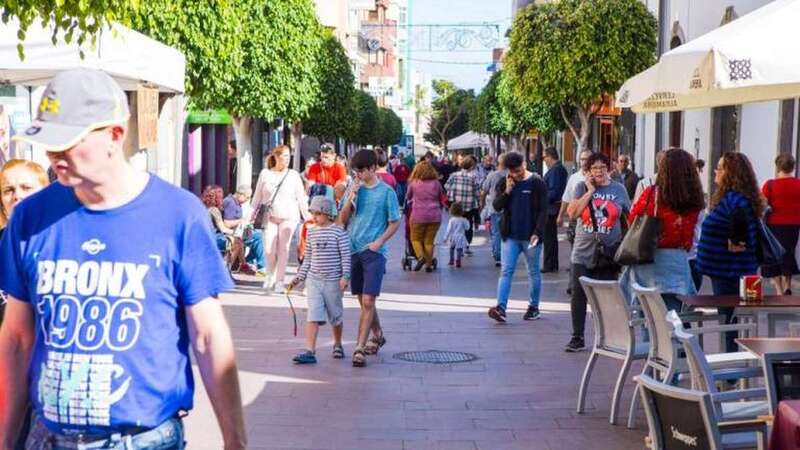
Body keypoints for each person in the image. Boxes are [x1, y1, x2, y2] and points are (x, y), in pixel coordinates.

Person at [0, 68, 245, 449]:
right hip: (47, 438)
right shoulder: (30, 218)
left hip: (143, 439)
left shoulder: (178, 215)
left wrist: (235, 440)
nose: (53, 154)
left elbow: (209, 335)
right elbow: (16, 338)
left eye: (68, 141)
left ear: (115, 134)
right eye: (48, 141)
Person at [621, 148, 705, 314]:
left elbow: (633, 220)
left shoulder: (652, 194)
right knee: (675, 319)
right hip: (678, 262)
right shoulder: (695, 199)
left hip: (649, 259)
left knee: (649, 319)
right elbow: (696, 230)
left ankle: (650, 341)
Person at [337, 149, 401, 368]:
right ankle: (378, 334)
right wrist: (351, 196)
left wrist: (380, 242)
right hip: (352, 249)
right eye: (356, 171)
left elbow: (395, 221)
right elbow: (341, 220)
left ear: (373, 168)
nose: (360, 174)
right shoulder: (354, 189)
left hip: (374, 252)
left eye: (363, 170)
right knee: (362, 299)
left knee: (368, 300)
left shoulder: (386, 192)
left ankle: (358, 349)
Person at [696, 152, 763, 353]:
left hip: (730, 273)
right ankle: (732, 370)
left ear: (731, 173)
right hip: (726, 271)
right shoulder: (734, 198)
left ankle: (732, 372)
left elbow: (740, 237)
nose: (716, 171)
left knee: (730, 322)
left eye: (720, 167)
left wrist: (735, 241)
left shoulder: (735, 200)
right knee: (729, 322)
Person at [565, 152, 631, 352]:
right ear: (588, 171)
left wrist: (626, 246)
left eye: (603, 167)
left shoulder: (619, 189)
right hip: (583, 251)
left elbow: (629, 217)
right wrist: (590, 191)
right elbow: (573, 213)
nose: (599, 171)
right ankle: (577, 336)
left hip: (608, 252)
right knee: (578, 294)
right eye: (595, 168)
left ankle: (608, 336)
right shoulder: (580, 187)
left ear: (609, 168)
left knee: (607, 297)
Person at [288, 196, 351, 364]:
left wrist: (345, 277)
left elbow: (345, 256)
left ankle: (337, 344)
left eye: (318, 214)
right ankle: (310, 350)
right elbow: (308, 258)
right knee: (313, 315)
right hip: (313, 280)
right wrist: (299, 277)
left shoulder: (339, 232)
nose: (314, 217)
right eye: (312, 213)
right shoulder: (311, 232)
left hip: (333, 281)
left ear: (328, 214)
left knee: (336, 316)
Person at [487, 151, 549, 323]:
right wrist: (507, 191)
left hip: (531, 237)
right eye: (513, 171)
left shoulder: (537, 183)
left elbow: (544, 210)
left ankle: (533, 307)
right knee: (506, 271)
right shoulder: (504, 182)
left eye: (519, 169)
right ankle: (501, 308)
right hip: (511, 236)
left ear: (524, 164)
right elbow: (497, 206)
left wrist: (538, 232)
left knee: (533, 272)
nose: (516, 174)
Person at [252, 145, 310, 293]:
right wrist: (247, 218)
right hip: (269, 216)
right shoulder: (265, 174)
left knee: (283, 248)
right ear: (276, 157)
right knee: (269, 249)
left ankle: (280, 281)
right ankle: (270, 273)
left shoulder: (293, 175)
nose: (286, 159)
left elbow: (301, 198)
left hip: (289, 217)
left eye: (288, 156)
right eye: (283, 156)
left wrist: (308, 217)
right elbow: (256, 198)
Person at [762, 154, 800, 295]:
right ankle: (787, 285)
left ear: (777, 166)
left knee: (773, 255)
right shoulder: (798, 184)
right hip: (793, 225)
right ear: (792, 167)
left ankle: (778, 289)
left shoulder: (770, 185)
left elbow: (762, 203)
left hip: (774, 225)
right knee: (788, 253)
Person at [406, 160, 444, 272]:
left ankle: (421, 257)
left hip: (418, 215)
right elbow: (440, 196)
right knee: (429, 241)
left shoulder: (414, 183)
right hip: (435, 216)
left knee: (415, 239)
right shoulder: (436, 183)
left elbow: (408, 197)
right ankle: (428, 265)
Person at [204, 185, 249, 273]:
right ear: (218, 197)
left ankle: (242, 265)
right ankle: (225, 270)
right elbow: (223, 228)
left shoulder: (204, 207)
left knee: (237, 241)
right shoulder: (214, 210)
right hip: (211, 238)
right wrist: (235, 233)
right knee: (236, 242)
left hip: (204, 237)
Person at [223, 184, 264, 274]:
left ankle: (245, 264)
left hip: (237, 232)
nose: (247, 200)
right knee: (258, 237)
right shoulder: (231, 203)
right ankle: (261, 266)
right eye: (247, 197)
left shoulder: (235, 203)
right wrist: (242, 220)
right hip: (230, 233)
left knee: (256, 236)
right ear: (240, 194)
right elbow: (227, 223)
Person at [445, 155, 481, 254]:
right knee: (468, 226)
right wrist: (479, 203)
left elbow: (446, 186)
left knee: (455, 225)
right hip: (469, 206)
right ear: (472, 166)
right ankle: (466, 247)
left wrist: (453, 193)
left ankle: (454, 243)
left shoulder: (454, 175)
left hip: (456, 205)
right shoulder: (473, 177)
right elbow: (477, 193)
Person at [542, 147, 568, 273]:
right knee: (550, 238)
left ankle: (549, 264)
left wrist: (541, 196)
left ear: (549, 156)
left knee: (549, 238)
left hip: (551, 209)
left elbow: (554, 192)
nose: (544, 160)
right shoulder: (556, 169)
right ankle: (551, 263)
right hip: (551, 208)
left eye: (544, 157)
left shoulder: (556, 170)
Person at [481, 155, 507, 267]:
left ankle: (498, 256)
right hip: (508, 209)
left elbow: (484, 191)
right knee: (507, 233)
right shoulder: (513, 175)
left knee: (496, 233)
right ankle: (507, 254)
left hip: (494, 208)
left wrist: (482, 205)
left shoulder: (492, 175)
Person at [444, 202, 470, 268]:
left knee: (451, 248)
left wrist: (445, 237)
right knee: (459, 249)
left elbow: (448, 229)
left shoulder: (451, 220)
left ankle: (451, 260)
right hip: (460, 236)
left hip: (452, 236)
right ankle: (458, 261)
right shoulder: (463, 220)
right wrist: (467, 221)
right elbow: (467, 228)